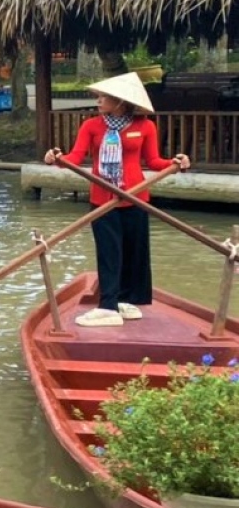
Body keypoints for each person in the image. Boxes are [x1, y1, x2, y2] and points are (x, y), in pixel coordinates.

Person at [45, 73, 190, 327]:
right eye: (99, 97)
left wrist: (176, 164)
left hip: (135, 197)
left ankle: (125, 301)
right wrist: (56, 158)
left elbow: (154, 161)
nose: (98, 101)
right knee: (109, 252)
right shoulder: (91, 126)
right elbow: (75, 158)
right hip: (103, 199)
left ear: (120, 102)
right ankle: (108, 306)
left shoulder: (145, 126)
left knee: (135, 252)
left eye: (104, 97)